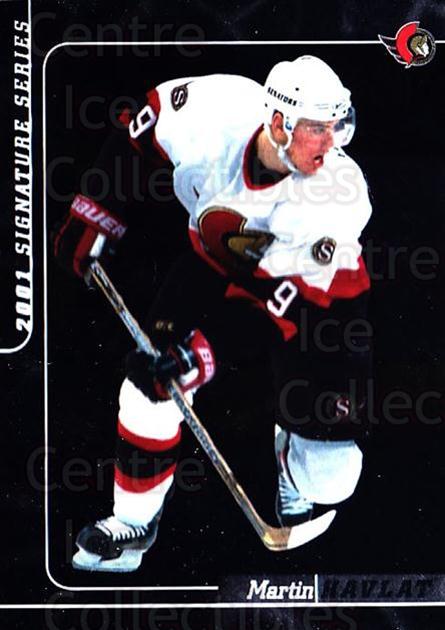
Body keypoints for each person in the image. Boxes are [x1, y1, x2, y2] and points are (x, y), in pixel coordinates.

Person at [53, 55, 373, 572]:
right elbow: (139, 131)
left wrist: (201, 353)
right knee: (149, 384)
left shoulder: (337, 199)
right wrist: (96, 212)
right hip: (213, 259)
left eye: (338, 127)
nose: (331, 143)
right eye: (318, 129)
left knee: (330, 477)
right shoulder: (216, 108)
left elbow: (279, 307)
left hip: (317, 304)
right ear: (278, 124)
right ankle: (133, 525)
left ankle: (294, 457)